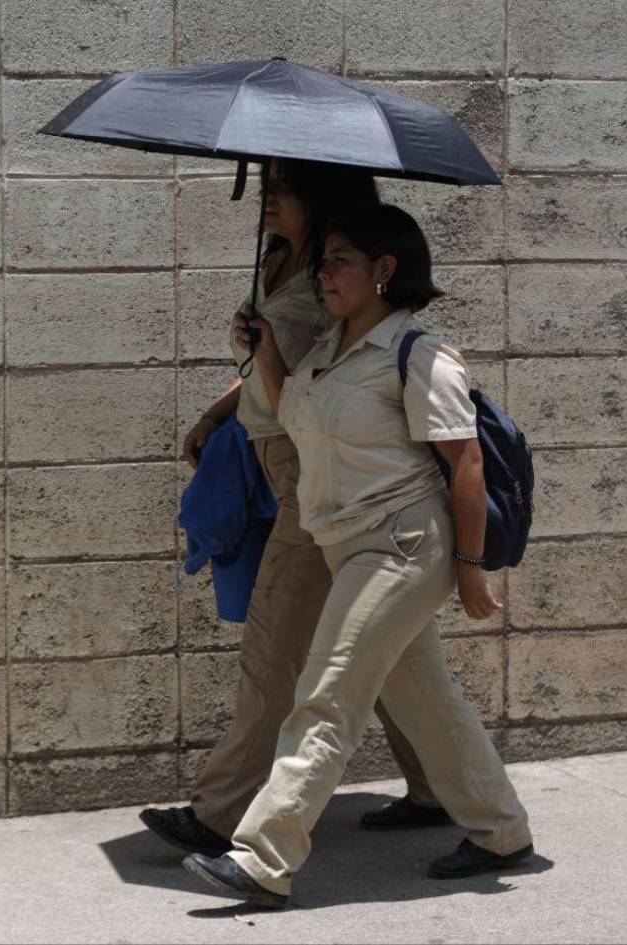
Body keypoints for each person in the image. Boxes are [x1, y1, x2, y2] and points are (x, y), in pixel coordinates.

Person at [181, 203, 534, 909]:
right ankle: (502, 831)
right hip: (348, 544)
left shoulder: (419, 352)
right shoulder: (330, 349)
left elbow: (463, 464)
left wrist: (468, 571)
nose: (324, 271)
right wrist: (268, 354)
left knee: (328, 690)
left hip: (401, 545)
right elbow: (293, 417)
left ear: (385, 269)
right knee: (425, 699)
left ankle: (263, 855)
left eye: (340, 259)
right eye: (324, 259)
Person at [140, 160, 449, 859]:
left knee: (276, 642)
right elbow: (265, 365)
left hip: (313, 473)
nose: (268, 194)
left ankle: (220, 813)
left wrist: (266, 355)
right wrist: (223, 408)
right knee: (394, 655)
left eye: (284, 183)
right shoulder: (284, 260)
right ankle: (444, 789)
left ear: (321, 192)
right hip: (277, 456)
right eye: (267, 180)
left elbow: (312, 391)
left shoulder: (333, 280)